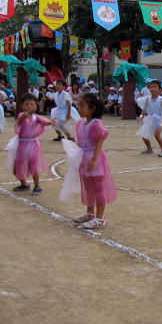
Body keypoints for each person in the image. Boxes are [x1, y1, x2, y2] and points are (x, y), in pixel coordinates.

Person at [60, 93, 117, 229]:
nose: (79, 108)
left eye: (82, 105)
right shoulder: (81, 123)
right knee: (88, 187)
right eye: (79, 105)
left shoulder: (96, 124)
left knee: (98, 187)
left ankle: (100, 218)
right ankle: (90, 213)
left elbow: (99, 141)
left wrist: (94, 160)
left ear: (92, 108)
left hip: (94, 159)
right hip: (83, 158)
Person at [5, 93, 57, 195]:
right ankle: (24, 184)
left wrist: (50, 122)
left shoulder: (36, 117)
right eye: (26, 104)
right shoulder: (21, 115)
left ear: (36, 106)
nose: (29, 106)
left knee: (33, 165)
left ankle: (37, 186)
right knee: (17, 167)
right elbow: (20, 120)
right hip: (21, 144)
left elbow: (44, 121)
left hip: (33, 144)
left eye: (32, 104)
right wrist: (26, 114)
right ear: (21, 106)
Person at [136, 79, 162, 157]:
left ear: (159, 89)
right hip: (150, 119)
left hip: (160, 120)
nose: (153, 89)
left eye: (155, 87)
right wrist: (141, 116)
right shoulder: (147, 99)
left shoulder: (161, 100)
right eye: (151, 87)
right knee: (144, 135)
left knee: (157, 135)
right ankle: (149, 149)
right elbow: (144, 110)